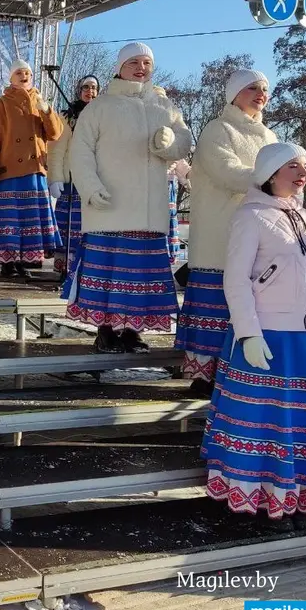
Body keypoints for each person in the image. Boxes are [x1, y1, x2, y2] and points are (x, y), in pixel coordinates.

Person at [202, 142, 306, 523]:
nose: (302, 172)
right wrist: (248, 334)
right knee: (261, 423)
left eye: (305, 166)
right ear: (271, 173)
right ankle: (253, 499)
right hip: (265, 337)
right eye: (293, 166)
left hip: (305, 338)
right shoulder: (250, 216)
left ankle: (297, 497)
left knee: (303, 424)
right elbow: (237, 280)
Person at [66, 43, 191, 353]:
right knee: (108, 269)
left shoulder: (165, 106)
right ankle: (105, 329)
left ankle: (133, 330)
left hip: (149, 208)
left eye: (147, 62)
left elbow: (184, 142)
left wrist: (168, 145)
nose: (141, 67)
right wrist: (90, 188)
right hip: (111, 204)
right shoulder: (101, 106)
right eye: (133, 61)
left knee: (140, 275)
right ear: (119, 67)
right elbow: (79, 152)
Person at [175, 70, 276, 396]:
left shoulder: (270, 137)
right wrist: (274, 180)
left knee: (246, 306)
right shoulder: (217, 130)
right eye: (252, 88)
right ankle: (203, 376)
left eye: (264, 89)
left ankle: (237, 371)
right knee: (214, 307)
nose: (260, 94)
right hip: (221, 234)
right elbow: (227, 172)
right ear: (234, 94)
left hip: (259, 233)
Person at [0, 60, 64, 279]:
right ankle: (8, 263)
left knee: (29, 221)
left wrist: (46, 111)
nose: (24, 75)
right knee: (11, 220)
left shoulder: (40, 101)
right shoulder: (1, 105)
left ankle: (24, 261)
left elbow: (55, 133)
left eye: (27, 72)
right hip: (10, 171)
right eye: (19, 72)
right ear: (11, 78)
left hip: (35, 169)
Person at [49, 75, 98, 276]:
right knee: (69, 227)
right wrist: (55, 177)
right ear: (79, 91)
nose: (90, 91)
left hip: (94, 180)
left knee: (91, 226)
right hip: (71, 180)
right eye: (85, 87)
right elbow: (57, 150)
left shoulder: (103, 115)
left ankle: (88, 268)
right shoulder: (66, 116)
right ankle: (65, 269)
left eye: (94, 87)